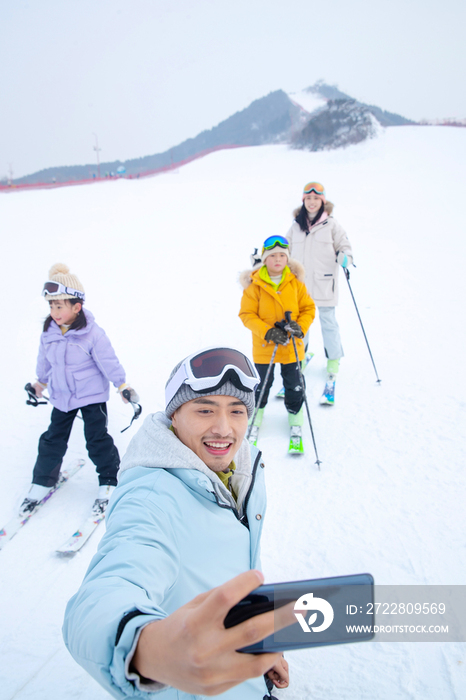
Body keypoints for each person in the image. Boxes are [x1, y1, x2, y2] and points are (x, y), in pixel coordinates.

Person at [63, 347, 292, 699]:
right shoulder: (152, 496)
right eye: (204, 410)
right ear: (174, 416)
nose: (224, 428)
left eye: (237, 411)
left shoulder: (236, 470)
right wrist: (149, 651)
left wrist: (254, 641)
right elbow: (107, 590)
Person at [20, 263, 138, 517]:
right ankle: (43, 481)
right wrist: (40, 382)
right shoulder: (49, 332)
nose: (54, 311)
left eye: (59, 306)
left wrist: (122, 385)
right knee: (52, 440)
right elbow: (45, 360)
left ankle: (109, 479)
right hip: (62, 397)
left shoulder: (92, 334)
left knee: (96, 440)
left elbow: (108, 361)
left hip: (91, 396)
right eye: (51, 306)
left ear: (77, 306)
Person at [239, 236, 316, 450]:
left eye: (282, 255)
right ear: (264, 259)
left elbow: (309, 308)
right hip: (266, 347)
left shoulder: (295, 283)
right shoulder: (254, 286)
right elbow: (246, 314)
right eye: (273, 256)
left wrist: (300, 326)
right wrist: (268, 332)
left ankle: (295, 416)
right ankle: (256, 416)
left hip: (292, 347)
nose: (278, 260)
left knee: (294, 384)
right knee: (261, 384)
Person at [285, 182, 353, 396]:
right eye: (308, 198)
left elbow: (345, 246)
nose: (312, 202)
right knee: (299, 325)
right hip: (300, 288)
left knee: (328, 324)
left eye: (316, 199)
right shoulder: (296, 226)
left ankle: (333, 360)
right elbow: (283, 248)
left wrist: (345, 257)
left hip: (324, 285)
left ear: (322, 202)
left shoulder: (332, 225)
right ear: (303, 201)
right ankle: (300, 358)